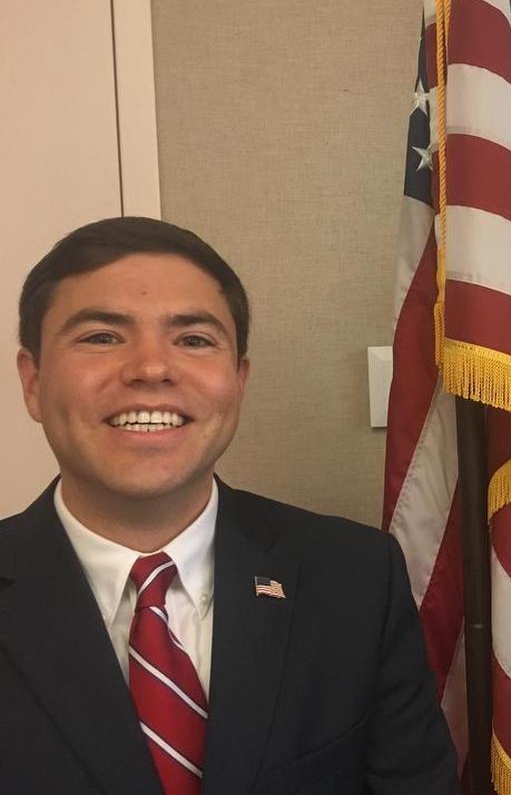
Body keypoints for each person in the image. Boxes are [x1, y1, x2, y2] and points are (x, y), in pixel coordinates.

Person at [0, 217, 457, 793]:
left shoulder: (355, 577)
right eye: (101, 336)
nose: (151, 368)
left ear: (238, 380)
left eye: (193, 339)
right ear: (34, 382)